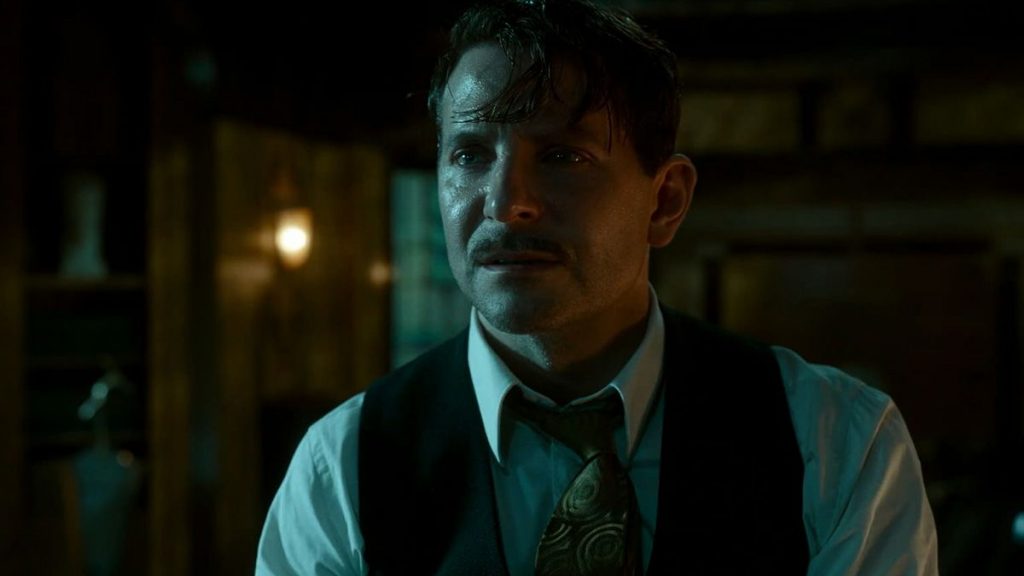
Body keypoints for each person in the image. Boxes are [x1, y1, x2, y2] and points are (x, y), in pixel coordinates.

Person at [256, 0, 939, 574]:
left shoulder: (832, 442)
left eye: (562, 156)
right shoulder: (344, 467)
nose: (505, 204)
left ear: (665, 201)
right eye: (470, 154)